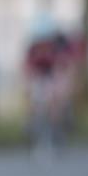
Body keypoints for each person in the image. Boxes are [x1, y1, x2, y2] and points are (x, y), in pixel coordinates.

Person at [23, 11, 78, 145]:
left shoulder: (57, 48)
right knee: (34, 98)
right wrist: (27, 85)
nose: (43, 45)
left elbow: (61, 68)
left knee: (55, 97)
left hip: (53, 75)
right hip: (40, 75)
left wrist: (60, 85)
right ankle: (33, 124)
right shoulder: (33, 48)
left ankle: (56, 128)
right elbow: (27, 69)